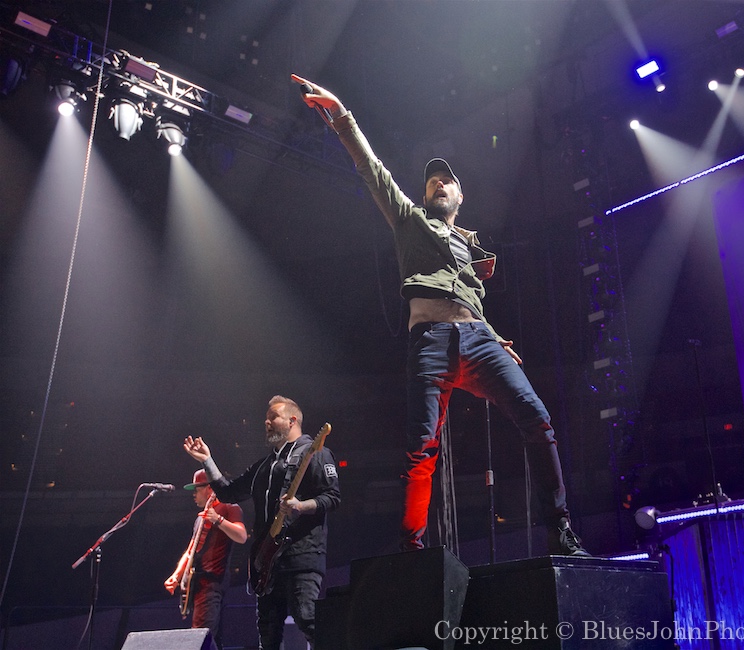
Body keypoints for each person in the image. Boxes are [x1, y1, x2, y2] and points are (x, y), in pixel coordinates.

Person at [291, 73, 588, 557]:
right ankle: (412, 549)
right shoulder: (411, 222)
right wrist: (342, 115)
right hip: (429, 343)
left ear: (460, 196)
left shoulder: (470, 246)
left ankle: (560, 527)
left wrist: (494, 336)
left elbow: (473, 300)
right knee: (421, 449)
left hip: (480, 340)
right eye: (432, 180)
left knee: (537, 419)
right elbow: (372, 169)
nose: (439, 183)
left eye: (447, 179)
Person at [182, 395, 341, 649]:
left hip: (301, 556)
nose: (266, 422)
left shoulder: (316, 453)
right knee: (268, 635)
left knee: (307, 618)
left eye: (273, 417)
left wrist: (301, 506)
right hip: (267, 563)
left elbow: (333, 497)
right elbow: (228, 492)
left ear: (292, 420)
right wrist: (207, 461)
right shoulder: (264, 466)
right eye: (266, 419)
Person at [165, 469, 247, 648]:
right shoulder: (200, 518)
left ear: (209, 489)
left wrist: (218, 520)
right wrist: (177, 575)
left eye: (197, 489)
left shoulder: (229, 507)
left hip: (212, 584)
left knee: (201, 637)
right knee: (211, 639)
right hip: (198, 584)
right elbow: (191, 550)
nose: (194, 494)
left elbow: (242, 536)